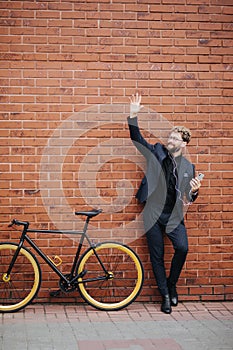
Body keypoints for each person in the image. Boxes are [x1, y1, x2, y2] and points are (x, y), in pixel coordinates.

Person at [127, 93, 202, 314]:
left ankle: (171, 283)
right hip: (152, 212)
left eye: (175, 138)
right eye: (169, 137)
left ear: (184, 143)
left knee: (182, 248)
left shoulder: (189, 167)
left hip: (173, 215)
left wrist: (195, 191)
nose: (170, 140)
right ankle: (165, 295)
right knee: (156, 255)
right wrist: (133, 115)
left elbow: (189, 196)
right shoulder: (157, 151)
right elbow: (137, 139)